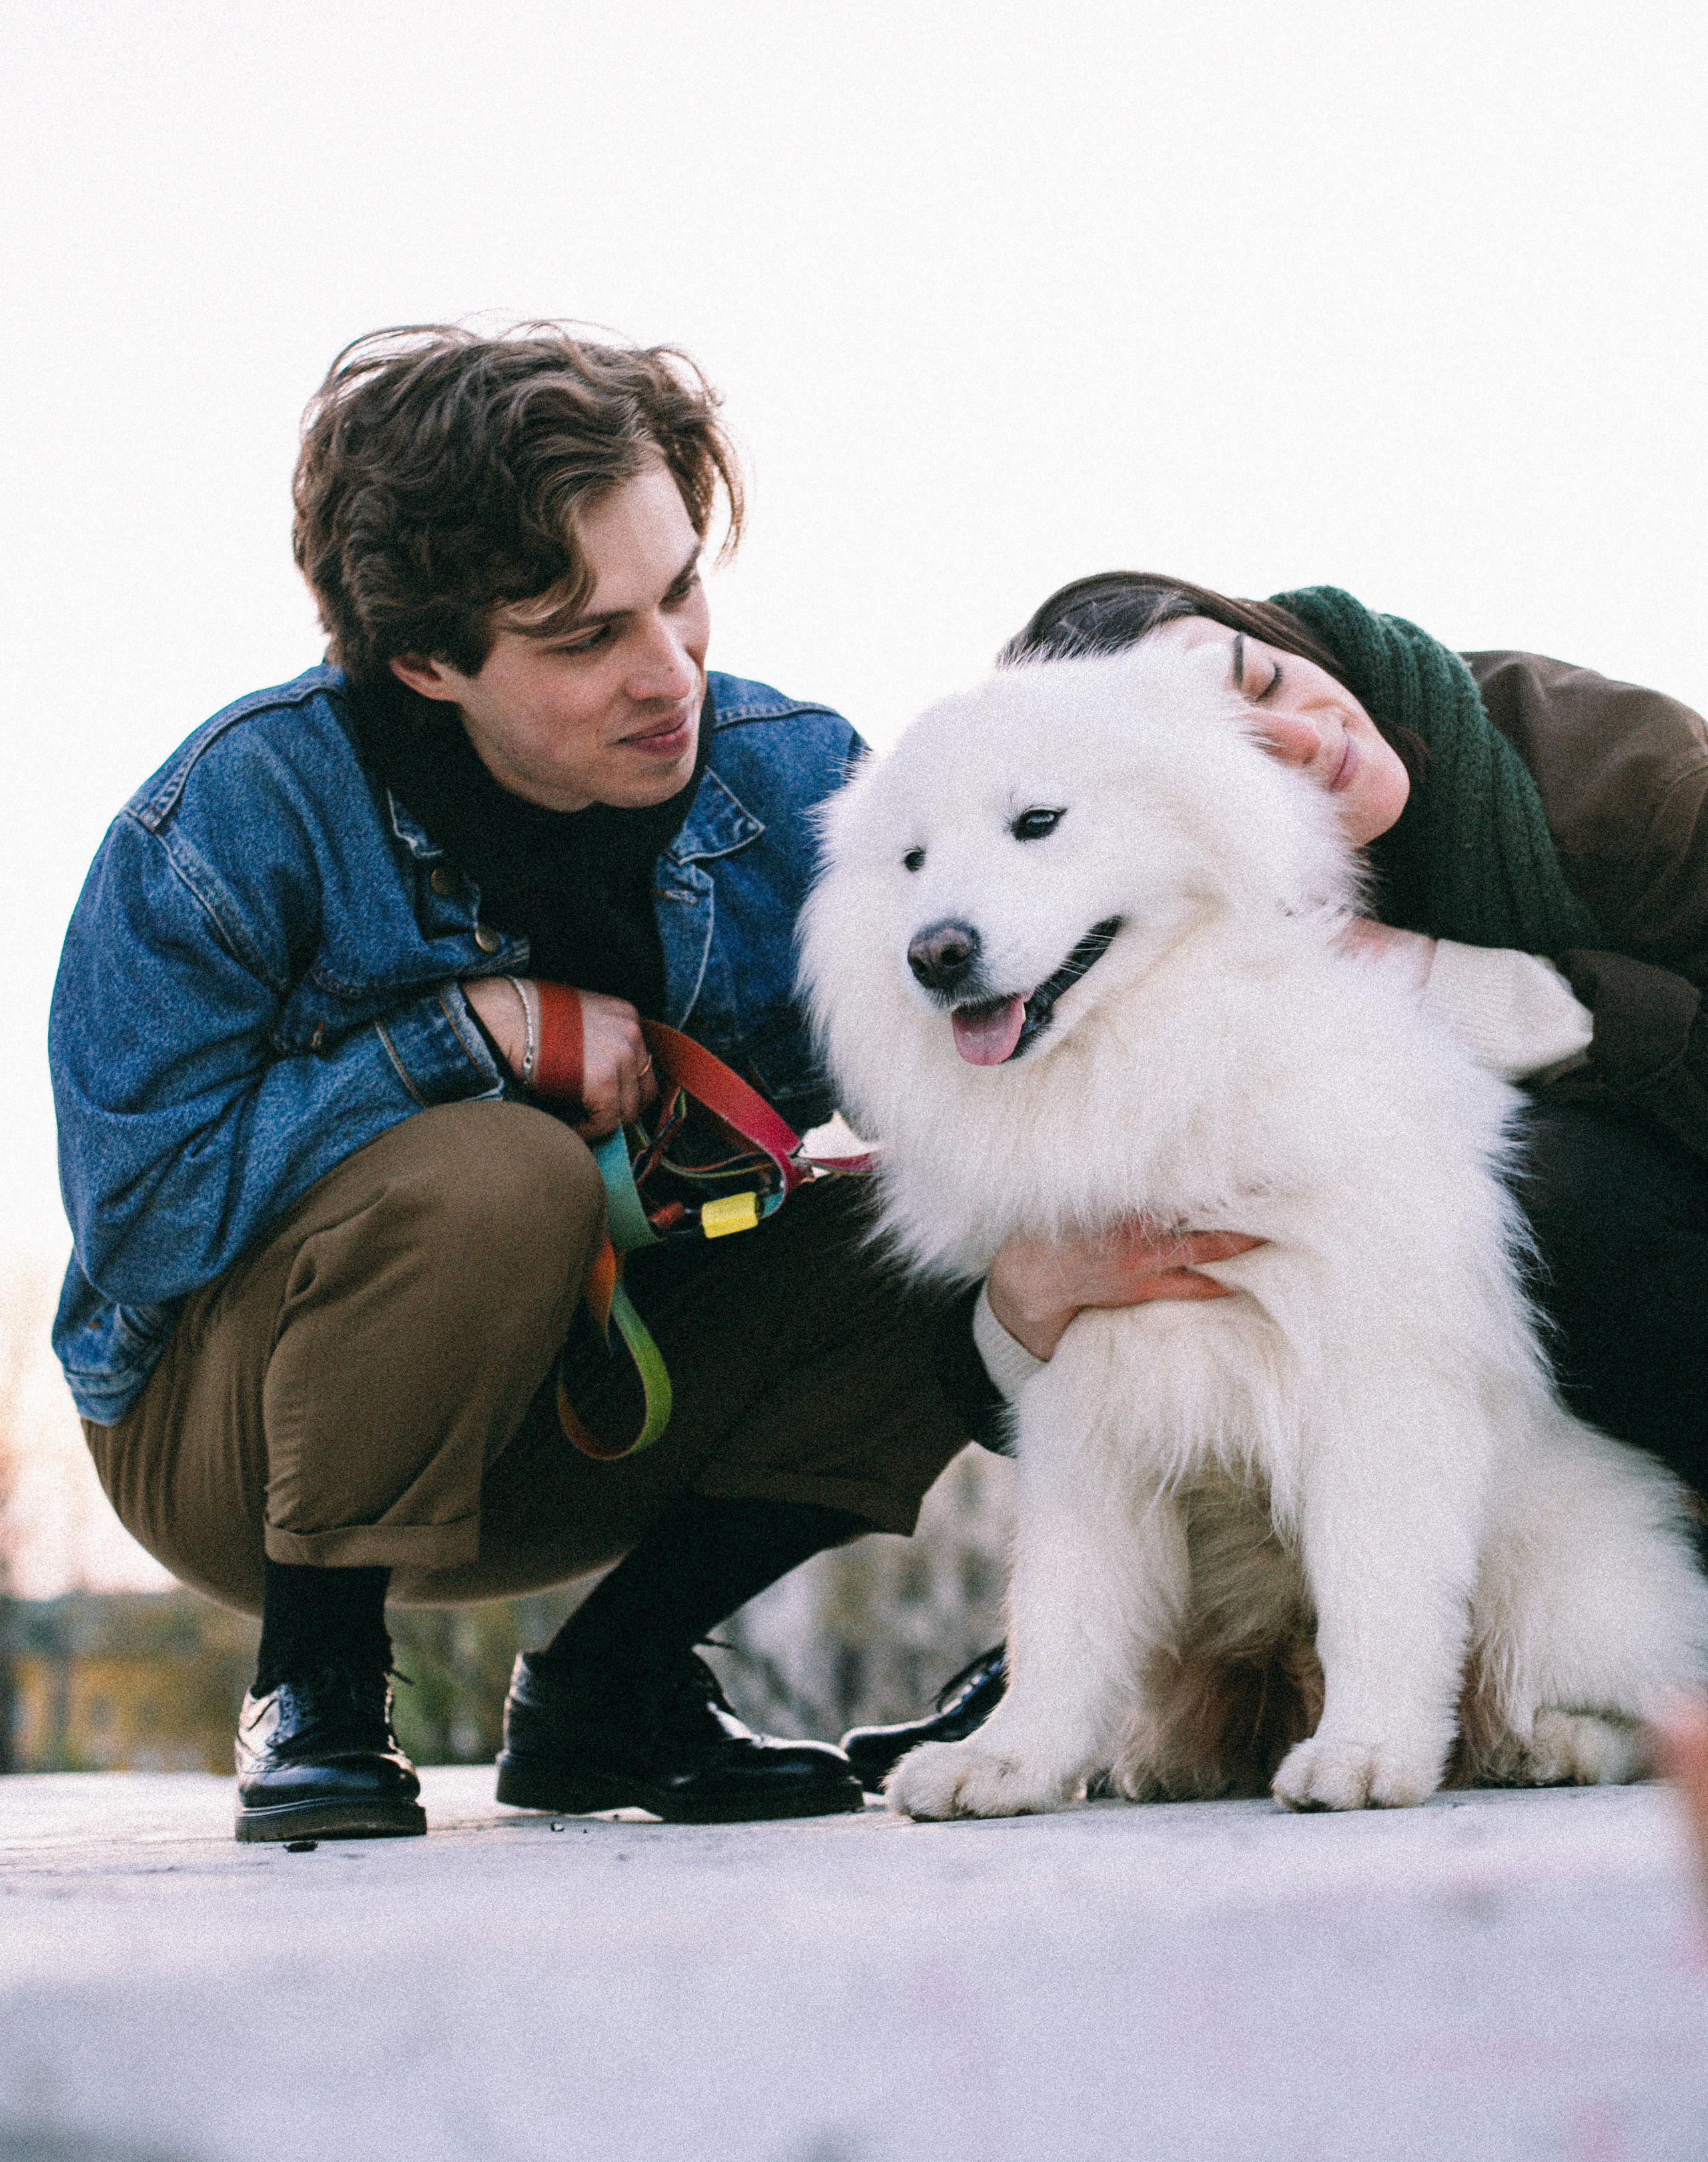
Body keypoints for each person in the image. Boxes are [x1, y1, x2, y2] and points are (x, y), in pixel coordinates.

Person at [50, 322, 987, 1842]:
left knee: (966, 1232)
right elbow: (143, 1227)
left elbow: (960, 1090)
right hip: (231, 1449)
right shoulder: (231, 819)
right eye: (583, 637)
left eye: (678, 592)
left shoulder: (798, 779)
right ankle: (318, 1695)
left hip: (587, 1408)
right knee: (504, 1167)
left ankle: (613, 1691)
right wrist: (463, 1043)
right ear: (429, 660)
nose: (667, 671)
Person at [841, 570, 1708, 1786]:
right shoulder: (1074, 1009)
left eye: (1259, 684)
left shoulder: (1611, 772)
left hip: (1640, 1317)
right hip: (1274, 1561)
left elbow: (1393, 1405)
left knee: (1563, 1202)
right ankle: (1050, 1715)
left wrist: (1466, 985)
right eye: (919, 856)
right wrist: (1021, 1305)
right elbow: (1061, 1437)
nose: (1290, 747)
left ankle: (1564, 1700)